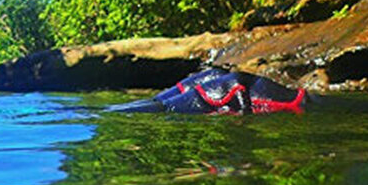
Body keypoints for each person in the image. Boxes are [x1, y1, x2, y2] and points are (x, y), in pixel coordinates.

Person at [106, 67, 308, 114]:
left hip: (216, 88)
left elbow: (237, 82)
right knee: (162, 105)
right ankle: (106, 111)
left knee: (162, 105)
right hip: (213, 91)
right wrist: (244, 113)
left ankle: (106, 111)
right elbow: (237, 82)